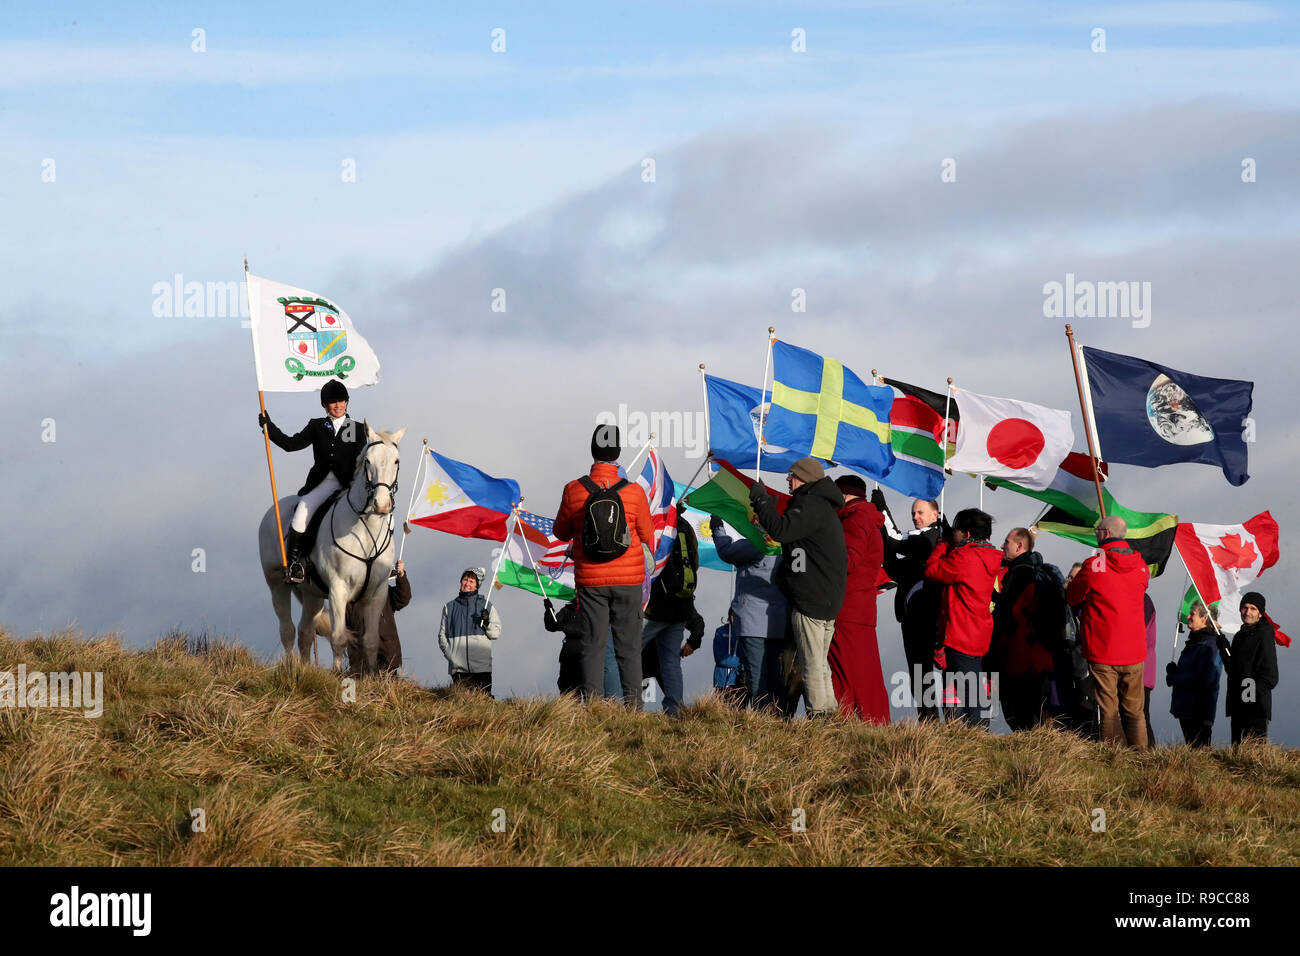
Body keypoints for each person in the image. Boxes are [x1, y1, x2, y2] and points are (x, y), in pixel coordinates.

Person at [553, 425, 655, 708]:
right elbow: (648, 535)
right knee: (630, 650)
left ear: (593, 451)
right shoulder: (634, 492)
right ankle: (634, 710)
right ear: (618, 452)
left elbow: (560, 532)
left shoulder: (574, 490)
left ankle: (595, 709)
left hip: (591, 581)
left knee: (593, 647)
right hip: (629, 581)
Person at [748, 457, 848, 719]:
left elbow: (781, 531)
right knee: (819, 661)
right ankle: (829, 715)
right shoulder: (822, 508)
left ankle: (819, 716)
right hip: (826, 597)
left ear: (804, 478)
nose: (787, 479)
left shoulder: (810, 505)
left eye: (791, 475)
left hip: (811, 599)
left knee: (811, 663)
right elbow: (800, 551)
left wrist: (761, 501)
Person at [259, 379, 366, 584]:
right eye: (333, 402)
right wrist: (269, 427)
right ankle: (294, 565)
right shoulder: (316, 426)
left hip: (348, 484)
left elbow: (362, 460)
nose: (338, 405)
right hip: (322, 484)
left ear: (347, 402)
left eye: (341, 401)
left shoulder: (357, 428)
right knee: (300, 515)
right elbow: (291, 444)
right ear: (325, 405)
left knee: (377, 509)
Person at [1065, 515, 1151, 749]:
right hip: (1134, 650)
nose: (1095, 533)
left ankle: (1116, 757)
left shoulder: (1093, 565)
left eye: (1097, 530)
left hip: (1103, 648)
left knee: (1109, 709)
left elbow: (1072, 597)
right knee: (1135, 711)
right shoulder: (1141, 565)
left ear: (1104, 533)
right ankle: (1141, 758)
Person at [924, 508, 1002, 728]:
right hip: (979, 633)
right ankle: (980, 735)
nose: (954, 533)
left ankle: (978, 739)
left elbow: (932, 570)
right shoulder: (989, 556)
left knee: (968, 695)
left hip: (960, 633)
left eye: (957, 530)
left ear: (967, 534)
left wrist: (942, 544)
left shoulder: (963, 557)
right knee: (975, 689)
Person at [876, 492, 944, 722]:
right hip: (912, 616)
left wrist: (882, 510)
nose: (915, 517)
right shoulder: (923, 541)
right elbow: (895, 567)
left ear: (935, 515)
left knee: (933, 671)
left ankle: (945, 720)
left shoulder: (931, 538)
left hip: (927, 615)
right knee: (919, 672)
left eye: (920, 512)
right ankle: (929, 719)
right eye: (913, 513)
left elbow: (896, 540)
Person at [711, 515, 788, 711]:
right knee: (774, 673)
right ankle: (779, 718)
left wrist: (718, 528)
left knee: (756, 674)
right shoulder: (787, 541)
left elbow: (727, 552)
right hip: (778, 619)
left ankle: (762, 721)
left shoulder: (759, 543)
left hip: (754, 620)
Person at [828, 475, 890, 723]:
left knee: (845, 672)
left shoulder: (855, 520)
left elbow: (847, 560)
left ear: (843, 495)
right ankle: (873, 721)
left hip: (848, 607)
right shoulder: (865, 519)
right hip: (860, 608)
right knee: (864, 672)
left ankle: (850, 722)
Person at [641, 501, 704, 717]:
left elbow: (647, 563)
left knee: (628, 651)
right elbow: (694, 563)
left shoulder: (656, 524)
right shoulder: (685, 526)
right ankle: (674, 710)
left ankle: (625, 704)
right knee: (670, 662)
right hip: (681, 604)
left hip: (656, 606)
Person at [991, 528, 1054, 730]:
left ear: (1019, 546)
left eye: (1006, 542)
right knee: (1034, 713)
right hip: (1039, 656)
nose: (1002, 546)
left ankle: (1033, 753)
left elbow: (1009, 615)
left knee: (1020, 713)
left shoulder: (1020, 573)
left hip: (1020, 654)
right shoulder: (1038, 570)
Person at [321, 558, 410, 675]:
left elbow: (402, 598)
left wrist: (401, 576)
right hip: (360, 661)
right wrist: (317, 620)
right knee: (362, 691)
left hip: (387, 657)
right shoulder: (347, 600)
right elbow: (335, 622)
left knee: (387, 688)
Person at [1216, 592, 1279, 745]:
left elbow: (1271, 675)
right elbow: (1233, 669)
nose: (1248, 612)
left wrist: (1250, 693)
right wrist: (1223, 644)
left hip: (1255, 708)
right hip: (1238, 705)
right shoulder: (1239, 636)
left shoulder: (1264, 635)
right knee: (1237, 754)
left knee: (1253, 758)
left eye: (1253, 609)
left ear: (1260, 613)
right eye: (1244, 607)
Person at [437, 567, 502, 696]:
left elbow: (495, 633)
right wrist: (451, 657)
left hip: (482, 668)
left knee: (485, 705)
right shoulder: (449, 607)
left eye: (472, 581)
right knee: (461, 706)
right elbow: (442, 636)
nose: (467, 584)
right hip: (459, 669)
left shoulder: (486, 606)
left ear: (477, 585)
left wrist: (487, 623)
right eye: (465, 580)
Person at [1166, 600, 1222, 747]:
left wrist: (1175, 677)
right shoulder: (1195, 642)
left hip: (1199, 709)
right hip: (1187, 707)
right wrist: (1175, 671)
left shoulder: (1211, 645)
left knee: (1200, 751)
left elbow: (1205, 678)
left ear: (1204, 618)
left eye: (1193, 614)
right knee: (1193, 750)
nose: (1188, 616)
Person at [1142, 594, 1158, 747]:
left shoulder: (1144, 600)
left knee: (1141, 715)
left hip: (1141, 667)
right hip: (1143, 666)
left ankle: (1148, 752)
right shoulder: (1145, 599)